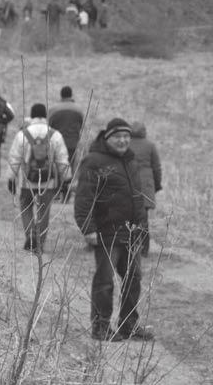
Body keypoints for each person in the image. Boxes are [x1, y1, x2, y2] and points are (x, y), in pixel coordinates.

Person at [74, 118, 154, 342]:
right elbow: (83, 197)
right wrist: (87, 228)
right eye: (118, 136)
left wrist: (141, 226)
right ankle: (100, 327)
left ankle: (129, 325)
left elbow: (137, 196)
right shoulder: (94, 160)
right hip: (106, 233)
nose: (123, 140)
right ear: (107, 137)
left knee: (133, 279)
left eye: (126, 136)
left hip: (130, 233)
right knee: (105, 281)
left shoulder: (130, 160)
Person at [6, 104, 70, 253]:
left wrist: (11, 178)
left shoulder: (23, 134)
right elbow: (62, 159)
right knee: (44, 211)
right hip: (48, 181)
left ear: (32, 115)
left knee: (26, 207)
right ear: (45, 116)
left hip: (27, 181)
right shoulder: (55, 135)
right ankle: (39, 242)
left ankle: (30, 235)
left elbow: (14, 157)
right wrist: (66, 179)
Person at [128, 122, 162, 257]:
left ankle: (131, 247)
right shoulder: (150, 146)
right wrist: (157, 185)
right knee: (143, 218)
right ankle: (144, 249)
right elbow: (157, 168)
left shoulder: (126, 145)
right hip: (146, 186)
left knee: (130, 217)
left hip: (129, 184)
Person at [47, 85, 84, 201]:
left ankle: (58, 192)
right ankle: (67, 192)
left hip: (57, 142)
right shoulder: (78, 109)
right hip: (73, 142)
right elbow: (81, 125)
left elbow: (49, 126)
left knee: (58, 166)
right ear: (71, 94)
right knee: (70, 166)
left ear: (61, 95)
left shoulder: (53, 109)